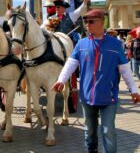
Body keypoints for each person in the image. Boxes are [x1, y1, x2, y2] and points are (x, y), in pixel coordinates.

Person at [52, 9, 140, 153]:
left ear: (102, 22)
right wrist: (61, 80)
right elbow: (71, 64)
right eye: (85, 22)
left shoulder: (115, 44)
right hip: (87, 97)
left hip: (108, 97)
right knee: (89, 132)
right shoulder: (81, 44)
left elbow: (125, 70)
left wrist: (134, 90)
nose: (87, 25)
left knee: (108, 131)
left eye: (91, 21)